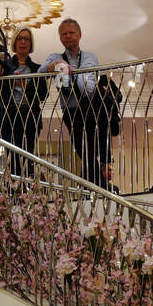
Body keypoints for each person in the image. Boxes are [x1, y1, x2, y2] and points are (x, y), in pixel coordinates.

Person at [42, 19, 111, 190]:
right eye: (64, 34)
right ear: (60, 38)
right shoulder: (55, 57)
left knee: (90, 150)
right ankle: (99, 187)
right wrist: (56, 65)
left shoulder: (90, 57)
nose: (68, 36)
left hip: (89, 107)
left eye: (71, 33)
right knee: (82, 149)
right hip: (70, 109)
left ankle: (97, 187)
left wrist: (70, 73)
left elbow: (86, 87)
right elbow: (40, 71)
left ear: (80, 35)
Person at [0, 28, 49, 178]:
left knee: (28, 156)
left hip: (30, 116)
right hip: (8, 115)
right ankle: (15, 190)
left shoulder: (38, 69)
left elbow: (42, 96)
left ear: (31, 43)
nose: (23, 42)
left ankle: (27, 189)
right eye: (20, 38)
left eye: (26, 39)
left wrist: (26, 86)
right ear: (14, 42)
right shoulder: (4, 65)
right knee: (12, 155)